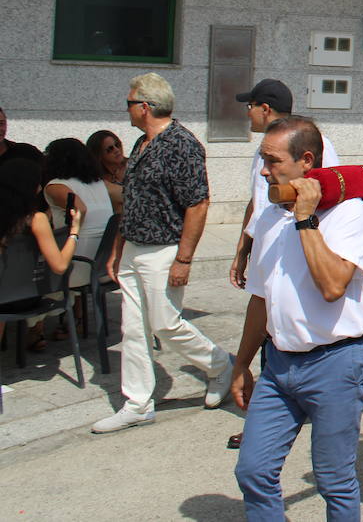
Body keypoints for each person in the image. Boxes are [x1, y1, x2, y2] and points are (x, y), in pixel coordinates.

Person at [231, 117, 363, 520]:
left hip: (337, 363)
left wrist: (305, 219)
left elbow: (332, 286)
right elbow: (259, 299)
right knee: (254, 470)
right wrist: (242, 364)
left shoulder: (348, 214)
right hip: (279, 365)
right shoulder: (266, 217)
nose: (264, 170)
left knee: (334, 480)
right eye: (262, 159)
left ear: (306, 161)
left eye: (273, 161)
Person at [93, 74, 231, 434]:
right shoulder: (141, 144)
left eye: (128, 102)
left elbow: (198, 205)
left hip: (164, 250)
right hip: (134, 248)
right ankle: (137, 404)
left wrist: (184, 259)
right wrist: (119, 248)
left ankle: (220, 366)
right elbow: (133, 201)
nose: (126, 108)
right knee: (133, 330)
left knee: (166, 324)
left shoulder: (181, 144)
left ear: (145, 106)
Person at [230, 79, 341, 289]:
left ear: (264, 109)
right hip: (266, 243)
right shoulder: (265, 149)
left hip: (297, 244)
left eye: (249, 106)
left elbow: (329, 196)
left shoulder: (318, 143)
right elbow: (257, 203)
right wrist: (242, 251)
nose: (247, 113)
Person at [0, 158, 89, 349]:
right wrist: (74, 231)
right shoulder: (35, 219)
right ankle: (36, 332)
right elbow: (60, 266)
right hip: (26, 296)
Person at [41, 138, 115, 291]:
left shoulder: (56, 186)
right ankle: (78, 312)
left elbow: (80, 208)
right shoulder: (98, 183)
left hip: (80, 262)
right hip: (104, 261)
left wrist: (73, 234)